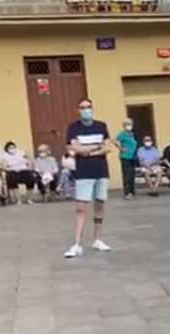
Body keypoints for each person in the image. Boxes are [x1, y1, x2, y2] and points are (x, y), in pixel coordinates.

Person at [64, 98, 113, 258]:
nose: (86, 110)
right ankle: (77, 243)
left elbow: (107, 147)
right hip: (83, 172)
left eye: (88, 107)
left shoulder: (101, 126)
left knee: (99, 204)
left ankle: (98, 239)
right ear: (78, 110)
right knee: (81, 207)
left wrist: (87, 151)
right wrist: (95, 146)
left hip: (101, 170)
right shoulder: (73, 128)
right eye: (83, 107)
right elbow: (74, 148)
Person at [117, 118, 139, 199]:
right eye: (127, 124)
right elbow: (114, 140)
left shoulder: (132, 134)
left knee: (132, 175)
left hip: (132, 157)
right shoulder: (122, 134)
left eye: (130, 124)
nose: (129, 126)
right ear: (124, 126)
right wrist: (120, 148)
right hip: (125, 156)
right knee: (127, 175)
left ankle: (132, 192)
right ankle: (127, 193)